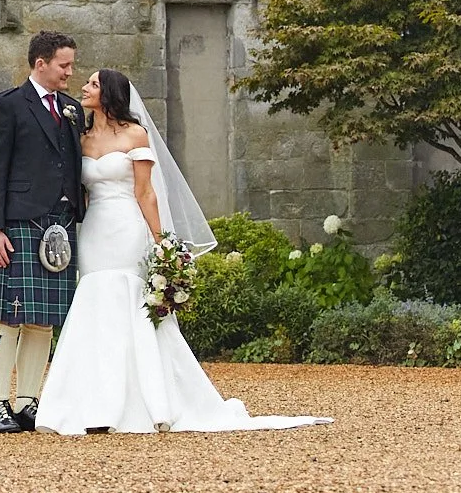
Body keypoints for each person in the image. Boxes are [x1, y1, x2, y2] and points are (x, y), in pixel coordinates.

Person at [34, 67, 330, 436]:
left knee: (129, 302)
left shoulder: (135, 134)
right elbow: (82, 190)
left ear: (108, 93)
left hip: (127, 226)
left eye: (93, 83)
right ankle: (93, 402)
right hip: (94, 229)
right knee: (95, 301)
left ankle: (151, 401)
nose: (84, 87)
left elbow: (145, 192)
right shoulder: (80, 138)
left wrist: (161, 242)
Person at [0, 30, 85, 433]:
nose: (70, 72)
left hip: (60, 225)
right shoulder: (9, 106)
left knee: (43, 321)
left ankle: (27, 402)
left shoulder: (72, 109)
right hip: (19, 225)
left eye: (71, 65)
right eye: (64, 65)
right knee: (6, 317)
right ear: (41, 63)